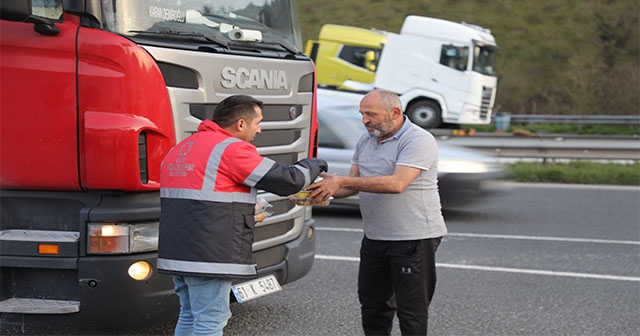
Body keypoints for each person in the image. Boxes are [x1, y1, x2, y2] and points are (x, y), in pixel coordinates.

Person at [157, 95, 327, 336]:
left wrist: (248, 205)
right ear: (240, 124)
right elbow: (289, 181)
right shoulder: (231, 149)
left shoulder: (184, 147)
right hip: (210, 255)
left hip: (178, 249)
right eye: (257, 123)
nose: (259, 130)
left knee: (190, 314)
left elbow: (204, 193)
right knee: (211, 320)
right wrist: (315, 164)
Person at [308, 89, 447, 335]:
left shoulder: (417, 139)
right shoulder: (366, 140)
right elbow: (351, 184)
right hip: (375, 237)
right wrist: (317, 191)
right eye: (362, 113)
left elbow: (397, 184)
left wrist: (340, 182)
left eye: (370, 114)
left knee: (411, 312)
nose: (364, 120)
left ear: (395, 113)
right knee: (373, 307)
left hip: (413, 237)